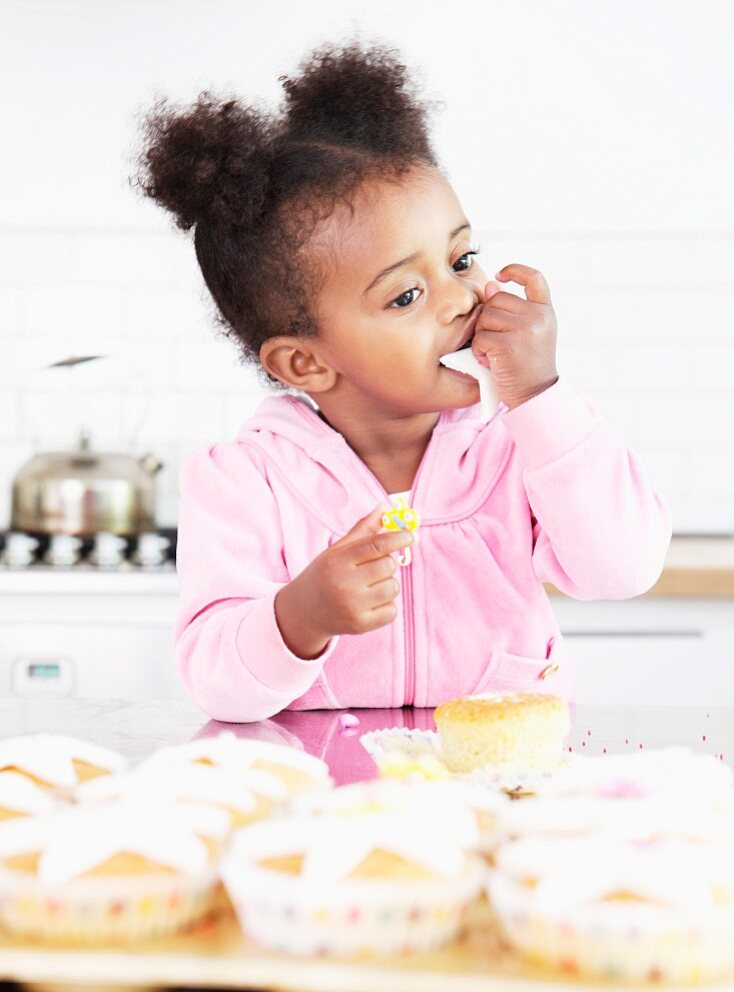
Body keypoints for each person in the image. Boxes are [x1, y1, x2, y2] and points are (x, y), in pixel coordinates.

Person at [131, 39, 671, 722]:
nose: (461, 298)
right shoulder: (245, 481)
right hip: (324, 803)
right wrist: (299, 616)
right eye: (405, 296)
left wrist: (541, 395)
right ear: (307, 364)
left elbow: (622, 569)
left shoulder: (516, 448)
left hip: (498, 790)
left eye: (461, 257)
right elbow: (216, 685)